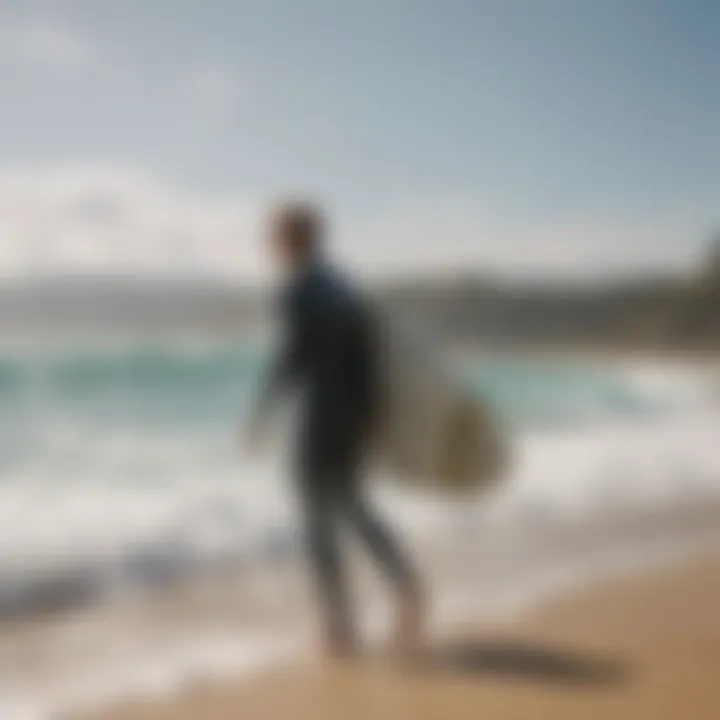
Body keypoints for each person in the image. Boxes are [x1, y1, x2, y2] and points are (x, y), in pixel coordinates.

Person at [246, 201, 424, 659]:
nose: (271, 243)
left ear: (293, 239)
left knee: (316, 519)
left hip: (321, 417)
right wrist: (372, 413)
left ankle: (339, 626)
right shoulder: (343, 286)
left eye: (276, 234)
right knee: (352, 504)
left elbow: (294, 357)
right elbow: (368, 354)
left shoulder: (298, 288)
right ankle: (405, 585)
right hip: (351, 415)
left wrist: (262, 412)